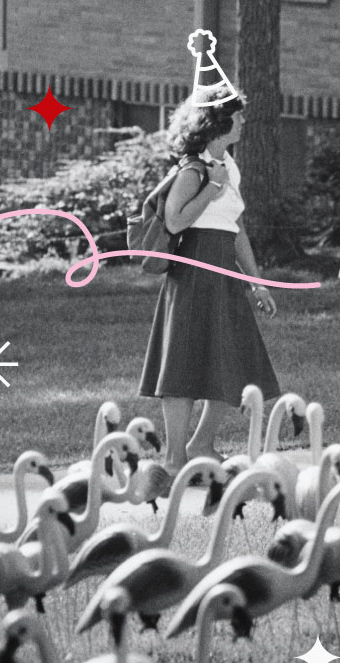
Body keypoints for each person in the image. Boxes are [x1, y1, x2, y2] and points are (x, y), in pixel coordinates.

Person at [139, 85, 281, 471]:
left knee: (234, 361)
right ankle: (174, 458)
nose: (243, 121)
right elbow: (175, 219)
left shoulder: (228, 166)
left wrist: (257, 282)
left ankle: (201, 445)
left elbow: (236, 228)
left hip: (224, 273)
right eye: (238, 114)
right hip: (193, 271)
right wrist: (212, 187)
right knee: (182, 367)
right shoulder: (194, 168)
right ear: (219, 120)